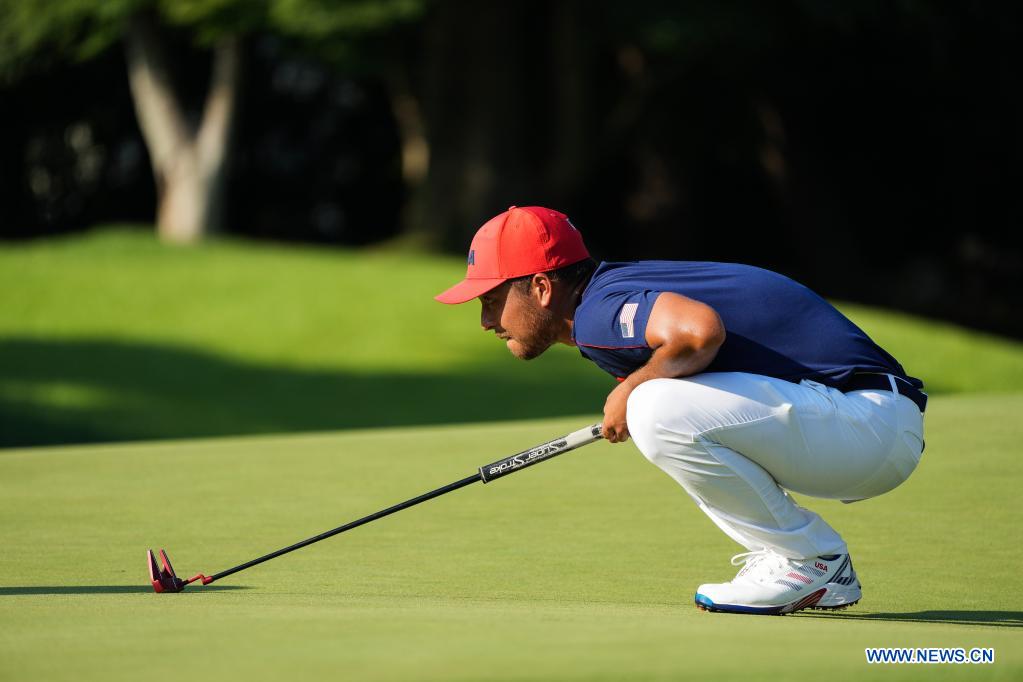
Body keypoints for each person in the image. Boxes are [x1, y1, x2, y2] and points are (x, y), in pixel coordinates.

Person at [435, 205, 926, 616]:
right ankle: (796, 557)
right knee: (655, 406)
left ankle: (810, 560)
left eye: (492, 300)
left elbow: (698, 331)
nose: (485, 321)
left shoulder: (597, 311)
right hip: (864, 423)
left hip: (867, 420)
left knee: (654, 407)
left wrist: (633, 388)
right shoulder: (606, 297)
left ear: (542, 288)